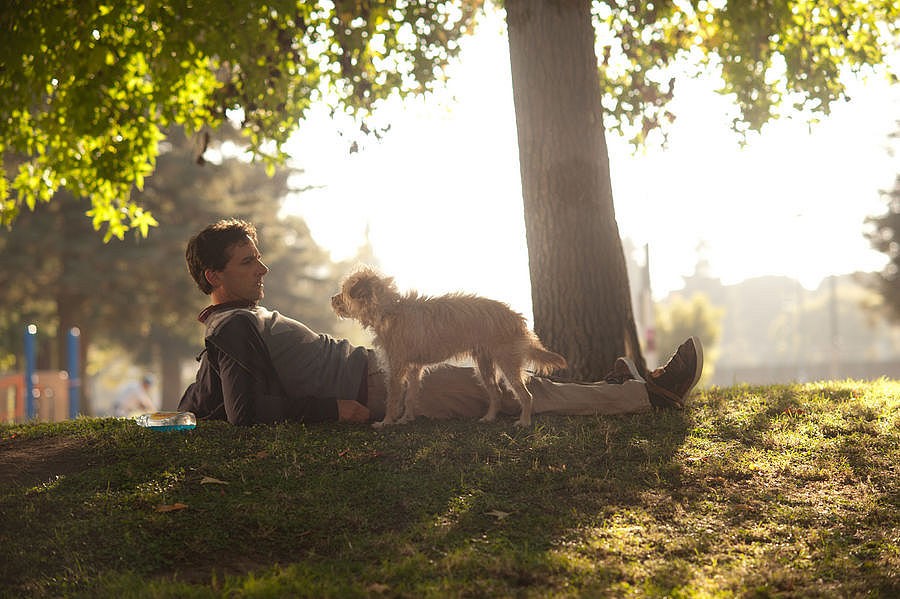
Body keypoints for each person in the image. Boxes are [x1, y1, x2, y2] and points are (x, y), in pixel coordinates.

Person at [178, 219, 703, 425]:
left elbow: (214, 395)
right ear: (213, 275)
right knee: (509, 393)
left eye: (258, 256)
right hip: (385, 385)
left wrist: (182, 412)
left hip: (382, 369)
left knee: (502, 379)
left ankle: (616, 387)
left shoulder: (234, 325)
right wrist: (330, 408)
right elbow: (243, 414)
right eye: (248, 262)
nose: (263, 267)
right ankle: (648, 396)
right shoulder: (234, 326)